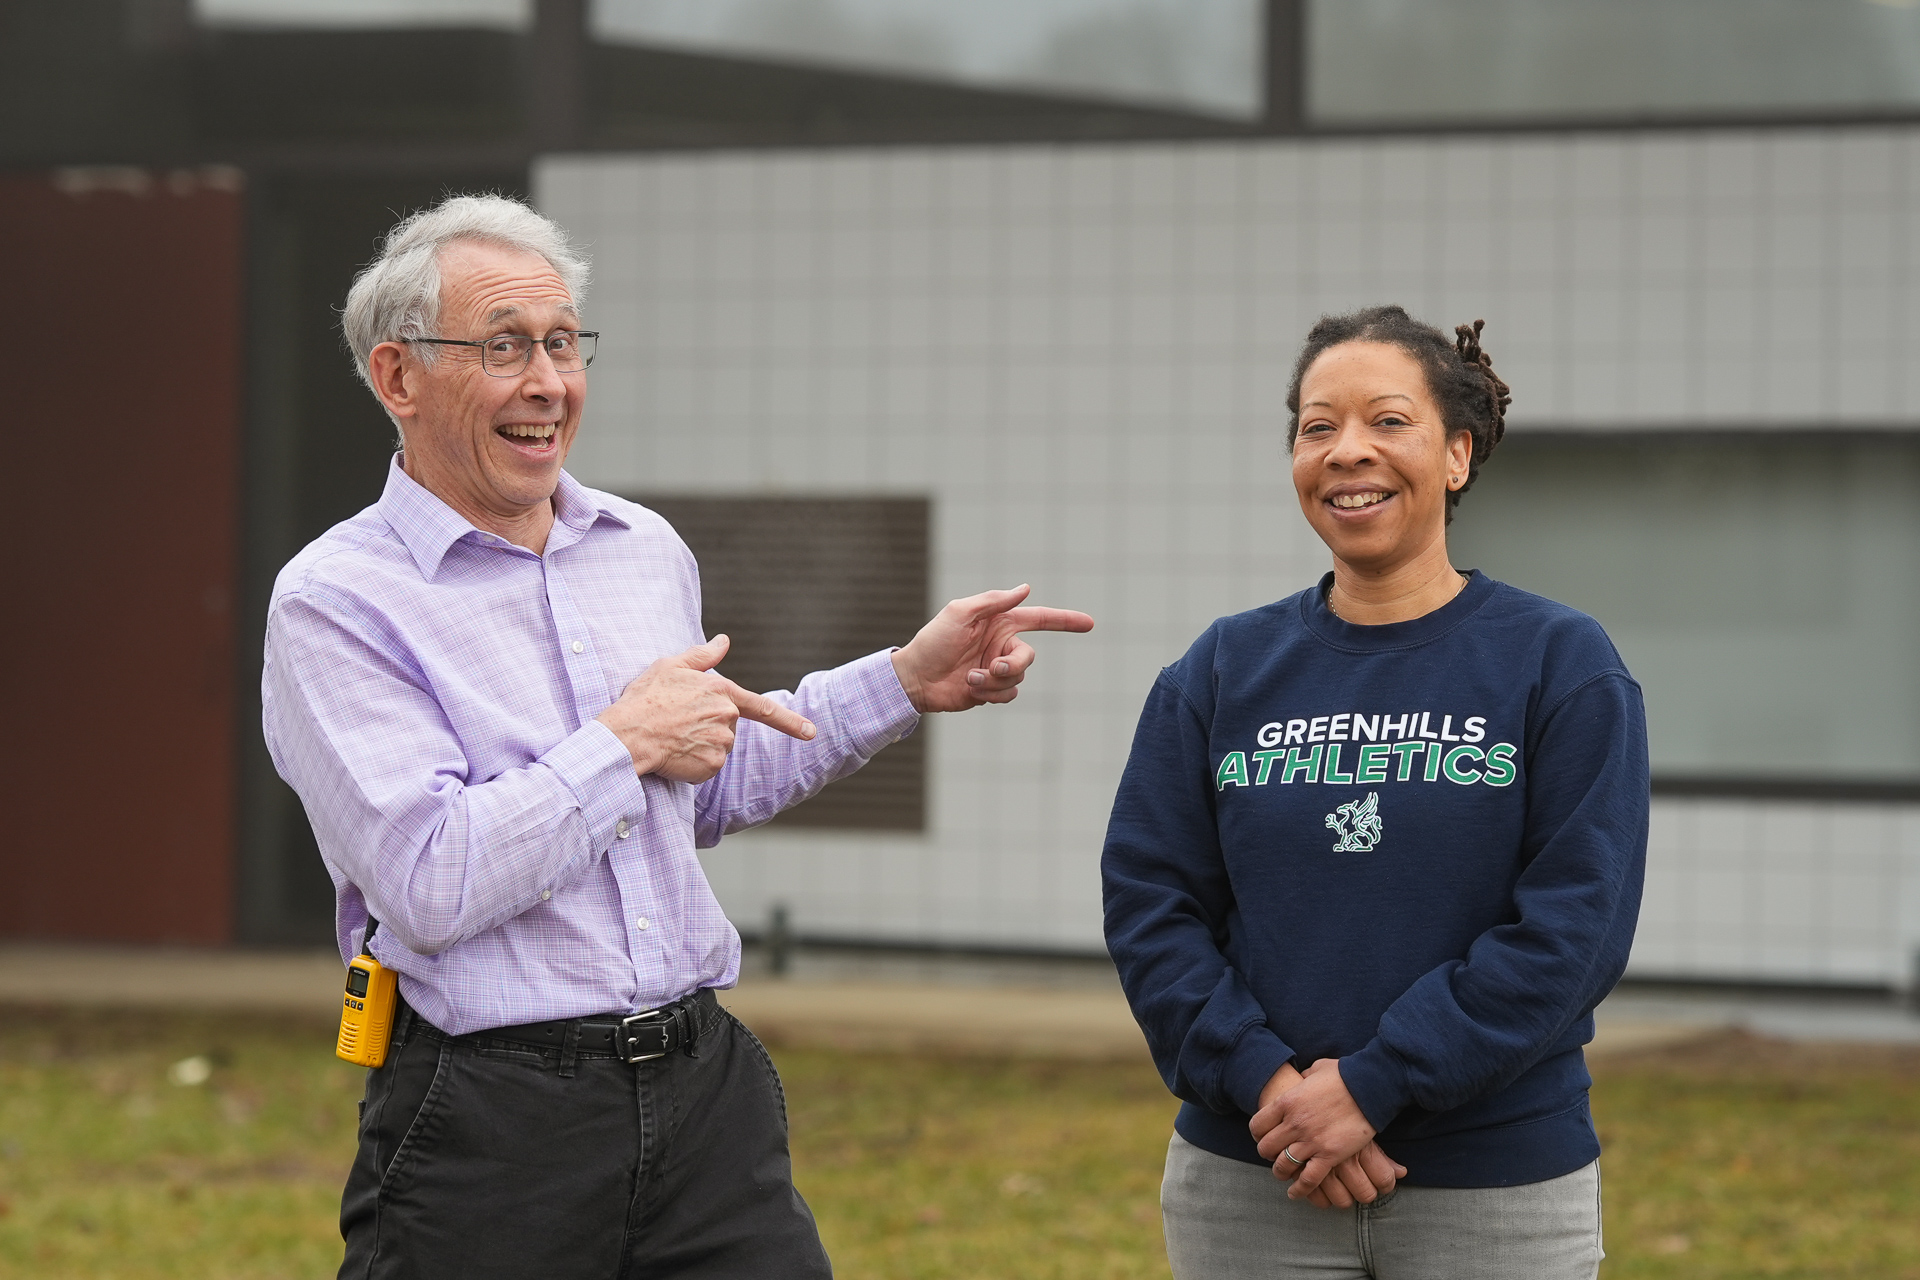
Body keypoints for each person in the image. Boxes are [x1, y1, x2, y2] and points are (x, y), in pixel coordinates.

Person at [262, 194, 1093, 1279]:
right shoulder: (337, 600)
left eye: (564, 343)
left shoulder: (639, 548)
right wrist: (622, 738)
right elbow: (430, 877)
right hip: (492, 1117)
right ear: (398, 378)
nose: (548, 382)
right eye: (505, 346)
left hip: (703, 1092)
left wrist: (901, 680)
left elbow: (697, 780)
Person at [1102, 306, 1648, 1279]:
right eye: (1319, 426)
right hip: (1251, 1180)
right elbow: (1152, 903)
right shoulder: (1225, 667)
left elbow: (1573, 927)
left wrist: (1371, 1083)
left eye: (1388, 421)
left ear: (1457, 453)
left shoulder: (1559, 661)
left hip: (1495, 1188)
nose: (1348, 451)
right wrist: (1271, 1083)